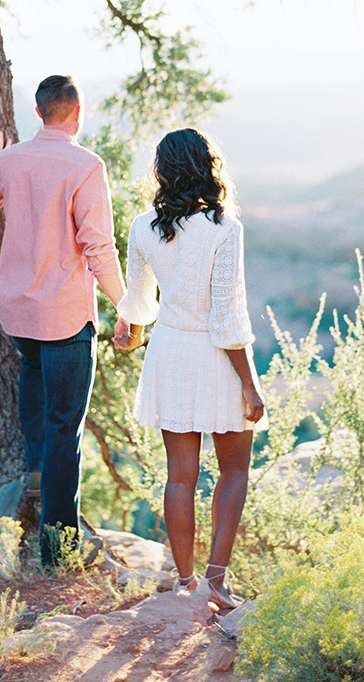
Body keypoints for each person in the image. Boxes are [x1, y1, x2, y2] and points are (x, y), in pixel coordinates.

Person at [0, 74, 129, 567]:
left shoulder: (12, 159)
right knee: (67, 429)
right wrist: (126, 307)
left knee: (36, 386)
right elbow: (98, 247)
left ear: (39, 113)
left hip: (18, 315)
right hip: (64, 317)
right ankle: (58, 552)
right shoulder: (87, 166)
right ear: (78, 114)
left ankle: (37, 477)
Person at [113, 127, 266, 611]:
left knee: (179, 475)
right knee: (234, 470)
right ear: (208, 167)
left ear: (163, 172)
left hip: (169, 353)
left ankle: (185, 582)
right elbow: (227, 316)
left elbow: (137, 305)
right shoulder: (226, 228)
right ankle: (216, 583)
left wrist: (130, 334)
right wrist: (250, 382)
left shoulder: (143, 227)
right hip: (217, 358)